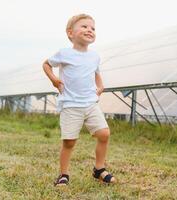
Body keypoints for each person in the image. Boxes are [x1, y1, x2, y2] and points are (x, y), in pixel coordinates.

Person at [42, 13, 116, 186]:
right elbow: (46, 64)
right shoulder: (64, 53)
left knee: (104, 133)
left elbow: (96, 73)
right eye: (84, 26)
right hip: (70, 105)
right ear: (70, 33)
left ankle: (99, 169)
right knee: (69, 141)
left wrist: (100, 86)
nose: (89, 30)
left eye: (93, 28)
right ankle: (63, 174)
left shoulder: (94, 56)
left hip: (90, 103)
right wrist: (54, 79)